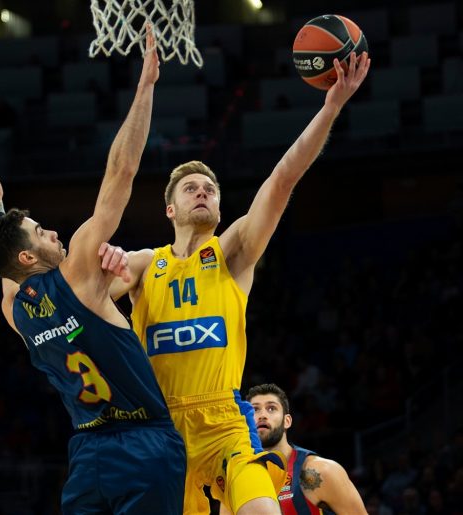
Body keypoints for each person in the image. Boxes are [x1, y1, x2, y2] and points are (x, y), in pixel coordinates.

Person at [98, 51, 372, 514]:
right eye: (191, 188)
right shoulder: (145, 264)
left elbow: (282, 179)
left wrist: (331, 108)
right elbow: (88, 308)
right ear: (170, 210)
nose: (202, 191)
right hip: (162, 429)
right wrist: (104, 268)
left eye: (211, 188)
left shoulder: (232, 252)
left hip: (226, 422)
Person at [0, 27, 187, 515]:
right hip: (144, 443)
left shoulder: (16, 311)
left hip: (87, 452)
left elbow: (5, 266)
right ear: (28, 256)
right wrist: (145, 86)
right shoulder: (77, 275)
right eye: (42, 232)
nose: (54, 234)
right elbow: (120, 175)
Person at [247, 383, 368, 514]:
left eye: (271, 408)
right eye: (255, 410)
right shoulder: (239, 481)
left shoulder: (321, 471)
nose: (262, 415)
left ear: (287, 421)